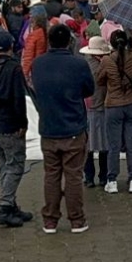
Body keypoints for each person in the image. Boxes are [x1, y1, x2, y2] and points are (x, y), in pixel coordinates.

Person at [31, 23, 95, 234]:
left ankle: (50, 220)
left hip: (48, 127)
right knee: (74, 176)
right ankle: (77, 219)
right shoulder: (78, 64)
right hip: (74, 127)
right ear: (69, 41)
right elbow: (89, 90)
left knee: (51, 175)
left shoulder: (38, 64)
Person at [0, 30, 32, 227]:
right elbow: (19, 98)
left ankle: (11, 205)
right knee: (16, 165)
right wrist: (23, 123)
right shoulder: (13, 68)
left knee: (4, 167)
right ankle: (4, 206)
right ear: (11, 47)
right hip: (10, 124)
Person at [98, 28, 132, 194]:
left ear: (111, 43)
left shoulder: (106, 61)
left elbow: (99, 80)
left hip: (113, 105)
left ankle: (112, 181)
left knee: (114, 145)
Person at [80, 37, 111, 189]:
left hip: (88, 108)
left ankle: (89, 177)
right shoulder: (107, 65)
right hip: (104, 108)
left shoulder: (85, 66)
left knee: (88, 146)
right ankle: (104, 176)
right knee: (104, 145)